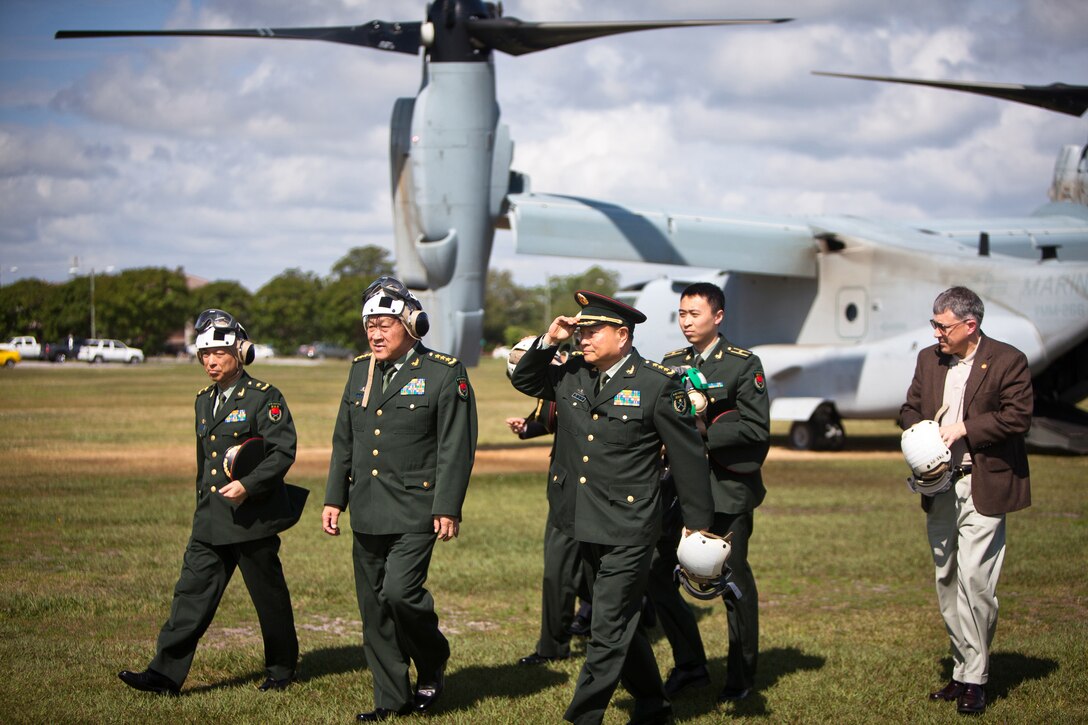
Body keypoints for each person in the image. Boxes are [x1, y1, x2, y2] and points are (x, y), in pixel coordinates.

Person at [511, 290, 714, 725]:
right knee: (619, 622)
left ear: (622, 335)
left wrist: (696, 527)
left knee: (605, 627)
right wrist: (549, 341)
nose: (583, 338)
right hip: (580, 519)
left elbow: (687, 457)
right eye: (581, 330)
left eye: (592, 330)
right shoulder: (571, 374)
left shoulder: (657, 383)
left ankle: (582, 717)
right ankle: (654, 706)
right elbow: (525, 380)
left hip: (629, 526)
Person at [119, 309, 306, 695]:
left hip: (251, 517)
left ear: (240, 351)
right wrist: (201, 506)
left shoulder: (264, 398)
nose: (211, 361)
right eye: (204, 354)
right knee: (190, 593)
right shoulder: (203, 401)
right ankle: (164, 674)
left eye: (219, 352)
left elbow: (282, 451)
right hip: (211, 516)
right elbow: (204, 463)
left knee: (268, 598)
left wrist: (249, 486)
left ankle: (282, 668)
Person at [323, 276, 477, 722]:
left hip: (416, 509)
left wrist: (448, 505)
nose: (375, 332)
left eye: (385, 322)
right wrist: (335, 497)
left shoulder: (445, 372)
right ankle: (392, 699)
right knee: (374, 608)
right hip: (367, 506)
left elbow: (456, 446)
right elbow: (344, 440)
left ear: (413, 324)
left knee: (400, 592)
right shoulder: (359, 370)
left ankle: (432, 657)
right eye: (370, 323)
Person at [900, 286, 1032, 716]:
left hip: (984, 484)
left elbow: (1018, 417)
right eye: (934, 324)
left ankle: (975, 677)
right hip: (935, 486)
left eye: (943, 325)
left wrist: (964, 429)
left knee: (976, 584)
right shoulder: (928, 358)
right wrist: (919, 430)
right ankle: (961, 671)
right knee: (947, 581)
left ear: (969, 326)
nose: (936, 332)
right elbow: (908, 408)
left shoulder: (1008, 360)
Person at [649, 282, 770, 703]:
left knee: (731, 583)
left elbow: (756, 429)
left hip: (725, 491)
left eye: (694, 314)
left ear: (717, 316)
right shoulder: (669, 363)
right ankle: (691, 664)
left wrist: (704, 426)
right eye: (681, 313)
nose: (686, 321)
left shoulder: (741, 364)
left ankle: (741, 677)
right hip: (676, 490)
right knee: (657, 575)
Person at [505, 341, 593, 665]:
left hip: (607, 491)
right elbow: (545, 407)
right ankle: (552, 646)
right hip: (566, 489)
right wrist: (526, 428)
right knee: (557, 570)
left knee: (599, 571)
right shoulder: (560, 377)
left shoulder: (594, 375)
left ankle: (609, 625)